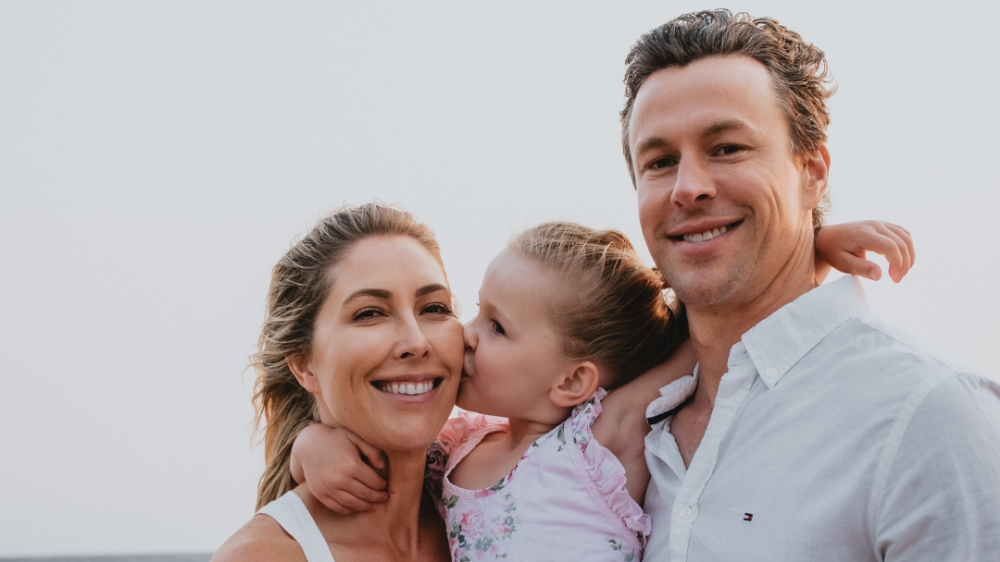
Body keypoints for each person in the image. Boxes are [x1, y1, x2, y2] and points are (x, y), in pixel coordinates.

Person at [292, 219, 915, 561]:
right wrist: (314, 442)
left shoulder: (595, 442)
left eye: (498, 326)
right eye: (474, 312)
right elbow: (377, 443)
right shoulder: (455, 449)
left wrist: (809, 254)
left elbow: (711, 337)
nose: (466, 337)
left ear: (572, 381)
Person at [620, 9, 1000, 560]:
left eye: (726, 148)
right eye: (659, 161)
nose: (689, 188)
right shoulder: (615, 416)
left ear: (813, 171)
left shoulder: (927, 412)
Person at [212, 203, 461, 561]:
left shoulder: (492, 513)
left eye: (434, 308)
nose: (417, 342)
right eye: (369, 313)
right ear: (304, 366)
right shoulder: (266, 554)